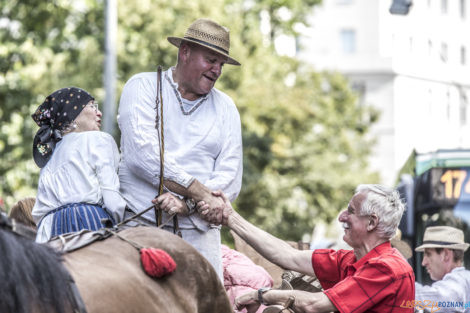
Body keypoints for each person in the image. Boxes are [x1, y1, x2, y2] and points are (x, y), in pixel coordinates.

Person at [117, 18, 243, 279]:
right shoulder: (142, 86)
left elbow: (230, 177)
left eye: (221, 64)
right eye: (211, 60)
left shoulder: (226, 107)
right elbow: (143, 156)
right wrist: (198, 191)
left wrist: (188, 204)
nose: (217, 70)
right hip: (139, 229)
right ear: (185, 52)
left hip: (200, 236)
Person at [198, 184, 415, 313]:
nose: (342, 217)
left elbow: (314, 304)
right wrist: (231, 217)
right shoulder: (352, 259)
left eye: (351, 211)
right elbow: (288, 256)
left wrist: (262, 295)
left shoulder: (386, 268)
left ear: (371, 222)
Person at [31, 87, 126, 243]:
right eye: (92, 106)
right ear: (72, 115)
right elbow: (113, 201)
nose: (99, 112)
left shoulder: (49, 158)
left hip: (48, 232)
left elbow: (39, 214)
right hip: (88, 222)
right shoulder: (98, 140)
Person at [414, 226, 470, 313]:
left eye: (428, 254)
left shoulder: (459, 283)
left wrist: (403, 285)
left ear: (446, 255)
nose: (423, 262)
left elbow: (440, 298)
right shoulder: (465, 278)